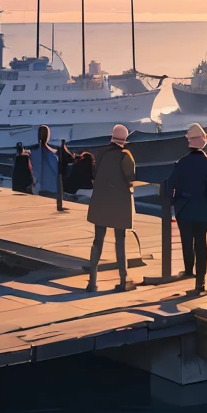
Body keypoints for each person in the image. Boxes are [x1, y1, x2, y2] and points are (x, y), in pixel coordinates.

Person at [168, 123, 207, 295]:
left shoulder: (181, 163)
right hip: (202, 209)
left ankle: (188, 270)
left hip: (184, 209)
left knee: (186, 242)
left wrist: (174, 202)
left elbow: (171, 184)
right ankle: (200, 282)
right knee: (201, 245)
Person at [85, 124, 136, 293]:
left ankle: (92, 282)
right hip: (119, 203)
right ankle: (123, 280)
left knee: (98, 240)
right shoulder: (126, 155)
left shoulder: (101, 153)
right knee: (120, 240)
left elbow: (95, 173)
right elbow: (130, 178)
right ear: (124, 139)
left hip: (101, 201)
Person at [31, 125, 60, 198]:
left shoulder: (33, 154)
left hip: (38, 188)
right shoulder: (52, 155)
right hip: (51, 189)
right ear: (48, 136)